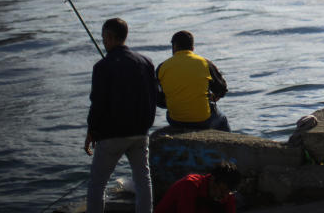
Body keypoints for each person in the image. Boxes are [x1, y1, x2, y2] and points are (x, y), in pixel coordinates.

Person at [85, 18, 158, 213]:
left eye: (103, 38)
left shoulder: (102, 67)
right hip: (140, 133)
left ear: (109, 37)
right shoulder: (146, 62)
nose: (103, 42)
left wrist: (92, 131)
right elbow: (154, 96)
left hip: (112, 135)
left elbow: (98, 104)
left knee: (97, 184)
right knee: (143, 180)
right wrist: (146, 126)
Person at [157, 30, 230, 132]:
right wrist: (214, 97)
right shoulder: (204, 63)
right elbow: (222, 89)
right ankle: (227, 146)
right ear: (192, 47)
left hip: (175, 120)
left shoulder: (162, 67)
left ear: (174, 47)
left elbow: (157, 98)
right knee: (222, 119)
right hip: (203, 120)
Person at [154, 160, 242, 213]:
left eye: (228, 193)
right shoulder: (190, 185)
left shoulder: (227, 193)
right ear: (212, 181)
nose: (225, 197)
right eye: (222, 191)